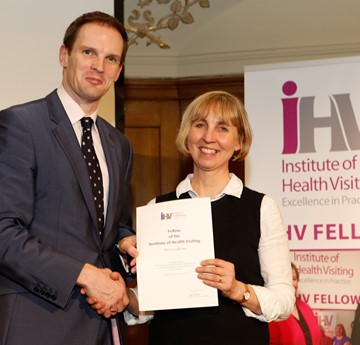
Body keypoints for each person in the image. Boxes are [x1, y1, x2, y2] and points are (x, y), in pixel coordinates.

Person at [0, 11, 137, 345]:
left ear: (118, 72)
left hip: (101, 324)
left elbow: (113, 224)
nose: (98, 66)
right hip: (36, 324)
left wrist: (126, 241)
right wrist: (84, 274)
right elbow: (3, 232)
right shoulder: (20, 124)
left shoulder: (119, 145)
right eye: (88, 52)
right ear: (64, 55)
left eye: (110, 58)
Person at [144, 90, 295, 345]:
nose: (208, 137)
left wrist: (238, 290)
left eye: (222, 128)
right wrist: (124, 296)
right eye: (200, 125)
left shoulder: (261, 208)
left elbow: (284, 300)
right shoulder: (157, 208)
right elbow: (149, 300)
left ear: (239, 141)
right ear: (187, 133)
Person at [269, 262, 323, 345]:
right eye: (287, 280)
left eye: (293, 279)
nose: (290, 283)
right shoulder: (274, 313)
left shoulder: (306, 308)